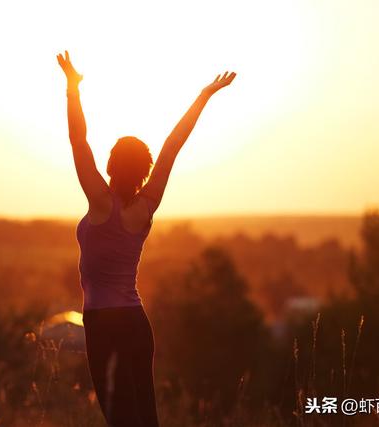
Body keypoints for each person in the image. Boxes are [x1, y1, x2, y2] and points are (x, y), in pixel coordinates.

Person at [57, 50, 236, 427]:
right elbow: (173, 146)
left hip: (102, 324)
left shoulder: (99, 201)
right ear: (145, 170)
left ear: (109, 165)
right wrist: (204, 96)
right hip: (137, 323)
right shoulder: (147, 205)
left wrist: (73, 88)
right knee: (145, 419)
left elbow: (78, 140)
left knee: (120, 418)